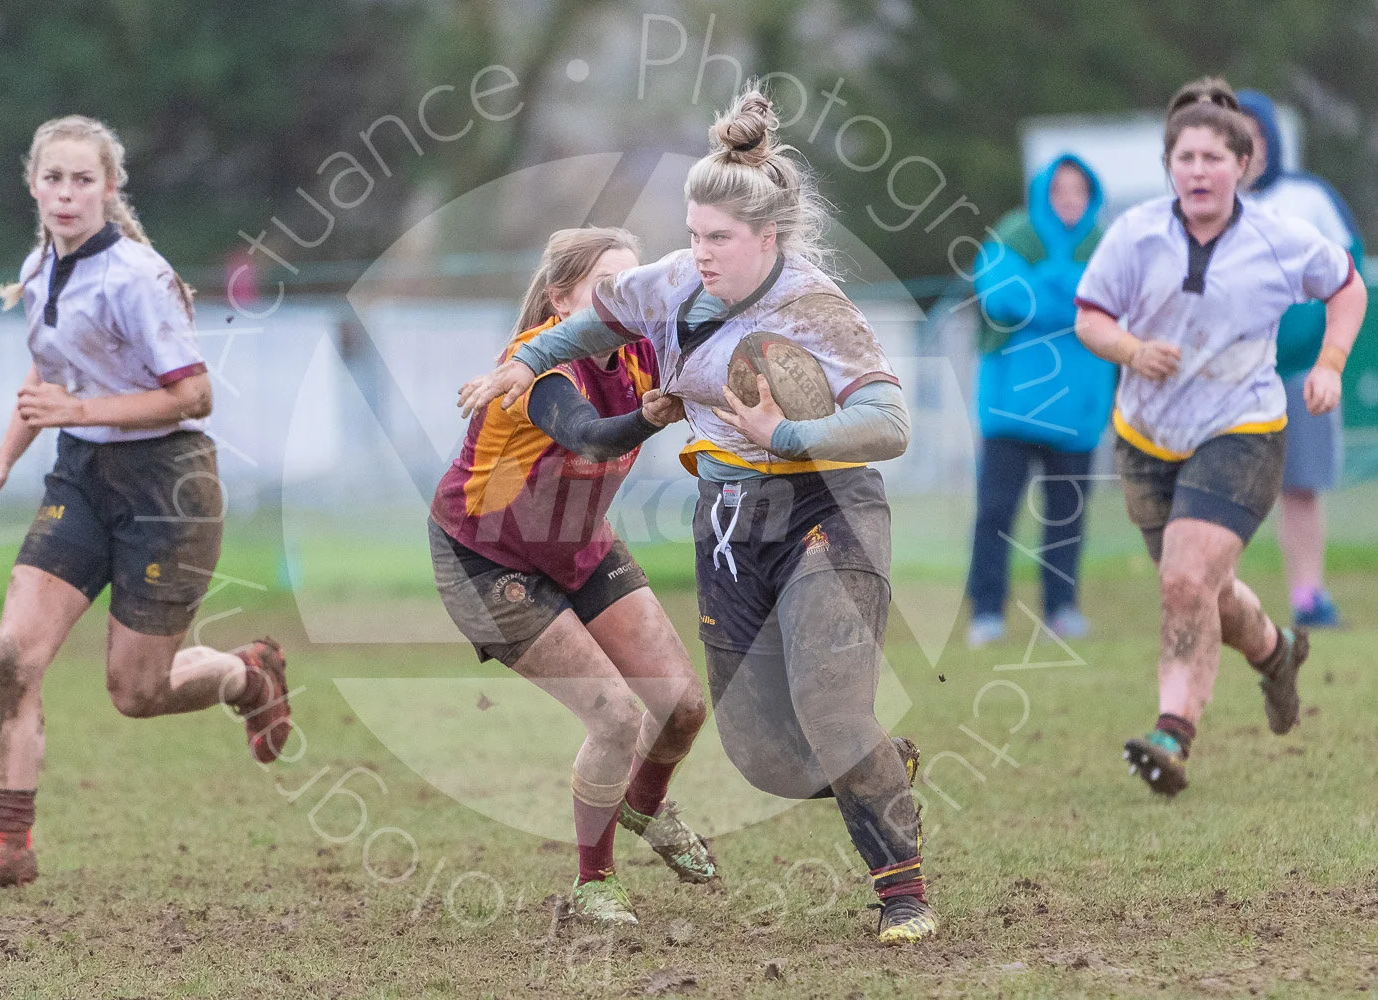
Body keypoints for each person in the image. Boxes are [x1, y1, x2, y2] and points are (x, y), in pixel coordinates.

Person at [457, 90, 935, 945]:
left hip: (829, 507)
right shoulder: (672, 281)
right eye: (694, 232)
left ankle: (903, 896)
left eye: (719, 237)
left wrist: (787, 431)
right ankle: (878, 770)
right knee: (763, 756)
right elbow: (582, 325)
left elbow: (892, 424)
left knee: (829, 704)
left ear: (768, 239)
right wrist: (517, 365)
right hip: (728, 519)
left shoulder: (815, 307)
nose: (701, 251)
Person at [0, 116, 293, 891]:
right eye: (54, 179)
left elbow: (192, 394)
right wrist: (0, 462)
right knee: (14, 652)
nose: (66, 194)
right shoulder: (38, 267)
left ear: (108, 189)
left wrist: (78, 413)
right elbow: (46, 382)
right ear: (33, 184)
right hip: (81, 479)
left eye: (83, 180)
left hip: (169, 486)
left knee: (137, 692)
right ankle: (10, 843)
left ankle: (248, 675)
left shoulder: (138, 275)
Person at [1073, 79, 1366, 797]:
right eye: (1185, 157)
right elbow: (1090, 318)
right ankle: (1275, 652)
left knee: (1183, 579)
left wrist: (1329, 365)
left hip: (1244, 429)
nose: (1198, 170)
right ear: (1169, 165)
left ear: (1244, 164)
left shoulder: (1281, 238)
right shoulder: (1135, 234)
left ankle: (1172, 733)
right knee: (1203, 589)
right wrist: (1131, 350)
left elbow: (1348, 287)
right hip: (1146, 438)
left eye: (1213, 157)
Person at [430, 227, 717, 927]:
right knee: (616, 715)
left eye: (633, 288)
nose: (623, 305)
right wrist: (650, 417)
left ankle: (644, 805)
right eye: (604, 290)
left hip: (578, 543)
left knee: (681, 707)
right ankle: (595, 884)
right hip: (486, 557)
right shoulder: (534, 370)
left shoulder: (644, 349)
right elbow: (589, 435)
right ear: (561, 300)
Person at [966, 155, 1116, 646]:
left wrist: (1045, 287)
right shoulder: (1012, 232)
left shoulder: (1104, 243)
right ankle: (987, 612)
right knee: (995, 513)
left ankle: (1062, 608)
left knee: (1067, 512)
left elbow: (1117, 300)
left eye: (1079, 191)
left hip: (1079, 410)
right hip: (1010, 407)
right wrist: (1073, 294)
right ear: (1044, 193)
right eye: (1060, 190)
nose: (1070, 200)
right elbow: (1003, 298)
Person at [1236, 89, 1365, 629]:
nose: (1249, 147)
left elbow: (1346, 271)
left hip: (1296, 369)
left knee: (1300, 486)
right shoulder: (1211, 204)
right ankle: (1220, 598)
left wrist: (1316, 341)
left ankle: (1309, 596)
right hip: (1231, 373)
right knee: (1227, 491)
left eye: (1257, 134)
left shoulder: (1307, 196)